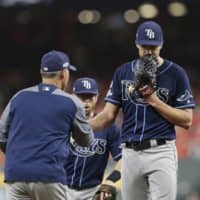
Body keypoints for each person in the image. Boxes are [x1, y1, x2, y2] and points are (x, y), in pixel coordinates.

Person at [89, 21, 195, 200]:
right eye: (144, 46)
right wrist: (78, 125)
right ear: (137, 44)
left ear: (161, 45)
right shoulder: (123, 72)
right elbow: (107, 116)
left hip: (161, 151)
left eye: (153, 47)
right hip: (130, 153)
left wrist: (153, 101)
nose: (148, 51)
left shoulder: (175, 73)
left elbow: (187, 120)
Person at [0, 50, 94, 200]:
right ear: (64, 73)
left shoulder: (18, 97)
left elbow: (1, 136)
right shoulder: (72, 102)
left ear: (41, 72)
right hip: (49, 175)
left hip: (15, 174)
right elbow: (86, 141)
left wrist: (20, 156)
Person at [65, 77, 121, 200]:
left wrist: (111, 180)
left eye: (90, 97)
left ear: (96, 97)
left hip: (92, 191)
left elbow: (123, 158)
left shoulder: (109, 127)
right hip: (62, 188)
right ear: (73, 97)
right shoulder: (62, 124)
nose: (86, 102)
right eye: (81, 97)